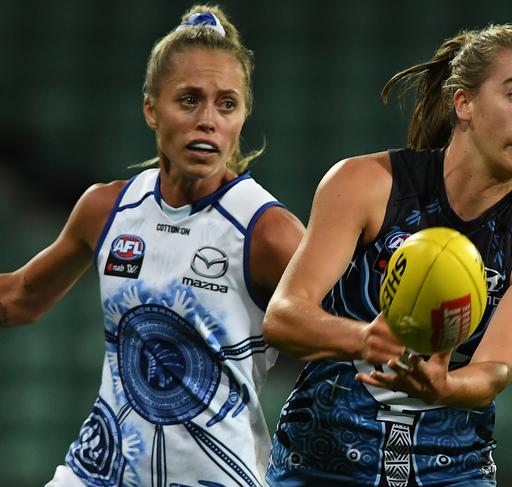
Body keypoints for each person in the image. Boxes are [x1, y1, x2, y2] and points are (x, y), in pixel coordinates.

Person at [263, 23, 512, 486]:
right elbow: (284, 317)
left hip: (451, 473)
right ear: (464, 103)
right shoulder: (363, 184)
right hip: (319, 465)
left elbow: (494, 370)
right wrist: (362, 339)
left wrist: (446, 386)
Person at [0, 4, 304, 486]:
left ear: (243, 116)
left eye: (226, 104)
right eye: (188, 100)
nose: (208, 120)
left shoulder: (267, 231)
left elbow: (345, 341)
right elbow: (18, 297)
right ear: (150, 108)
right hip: (97, 472)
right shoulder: (107, 209)